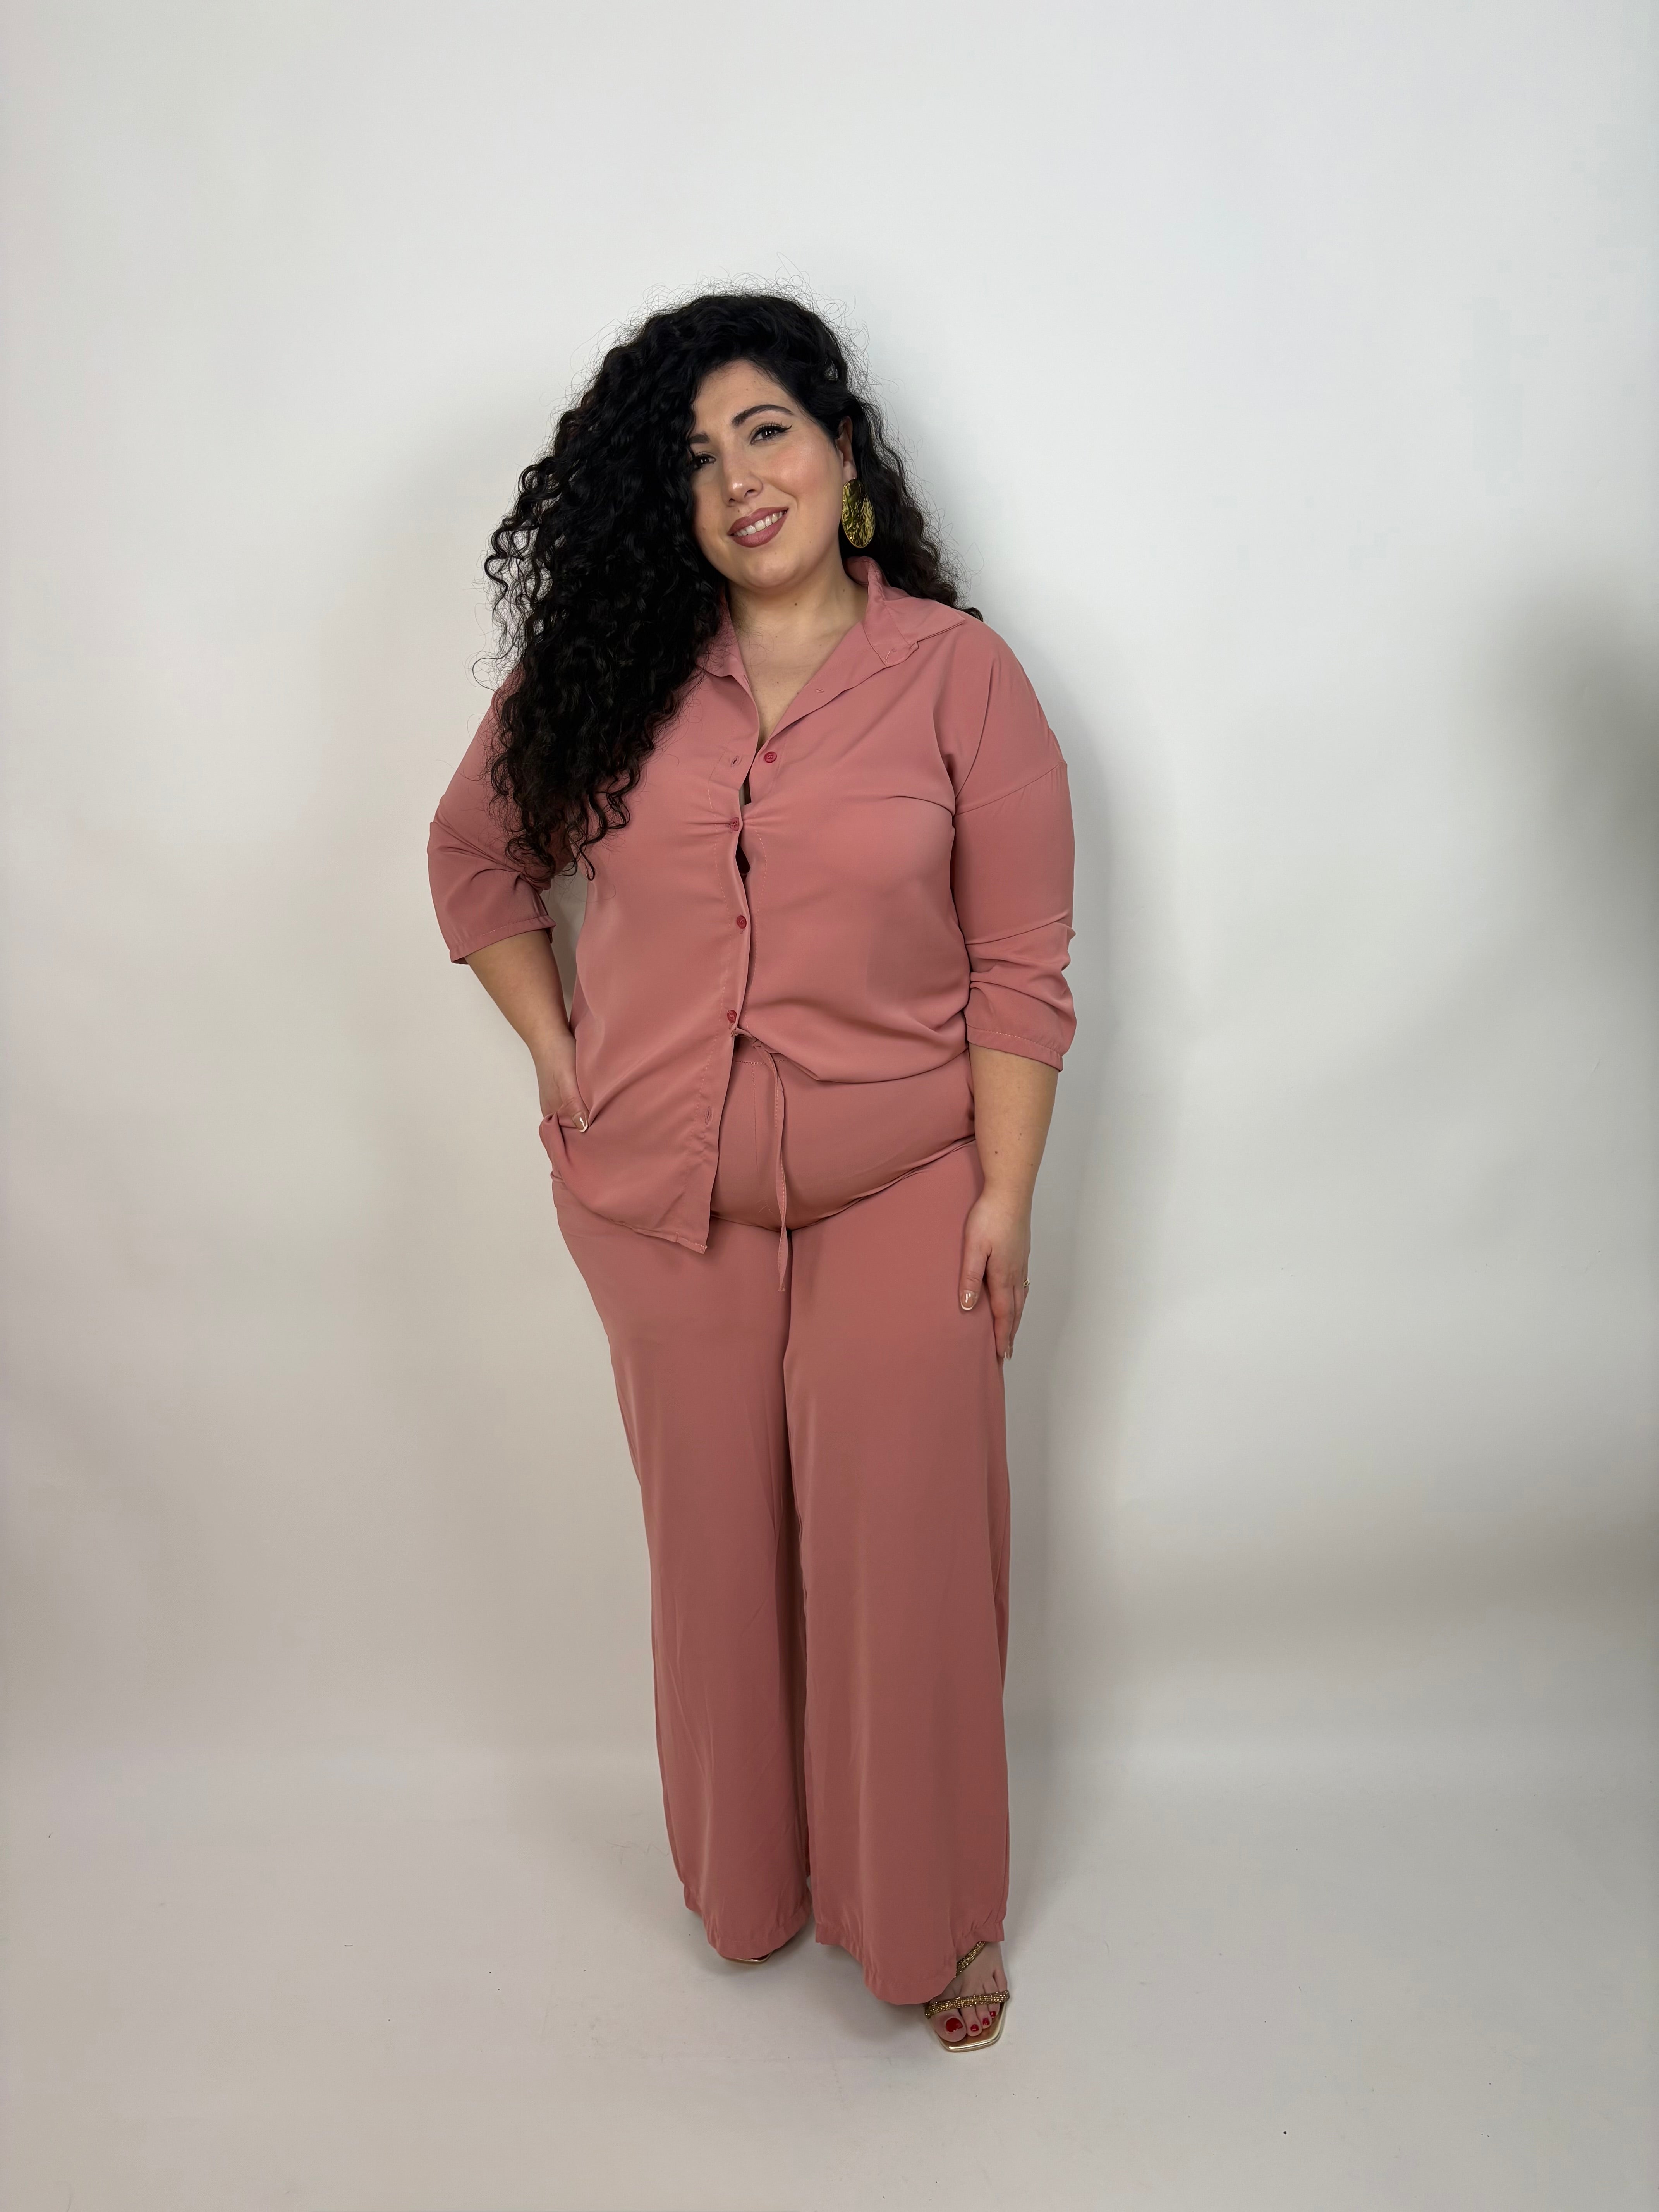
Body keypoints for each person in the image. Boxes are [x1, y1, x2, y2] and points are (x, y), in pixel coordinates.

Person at [427, 292, 1076, 2051]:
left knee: (904, 1561)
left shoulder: (961, 677)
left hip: (906, 1185)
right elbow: (474, 855)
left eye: (765, 430)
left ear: (843, 455)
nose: (737, 477)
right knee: (713, 1563)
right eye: (697, 458)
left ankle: (930, 1916)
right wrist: (560, 1052)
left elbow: (1018, 966)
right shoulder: (615, 678)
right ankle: (751, 1892)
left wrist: (1005, 1197)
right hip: (664, 1199)